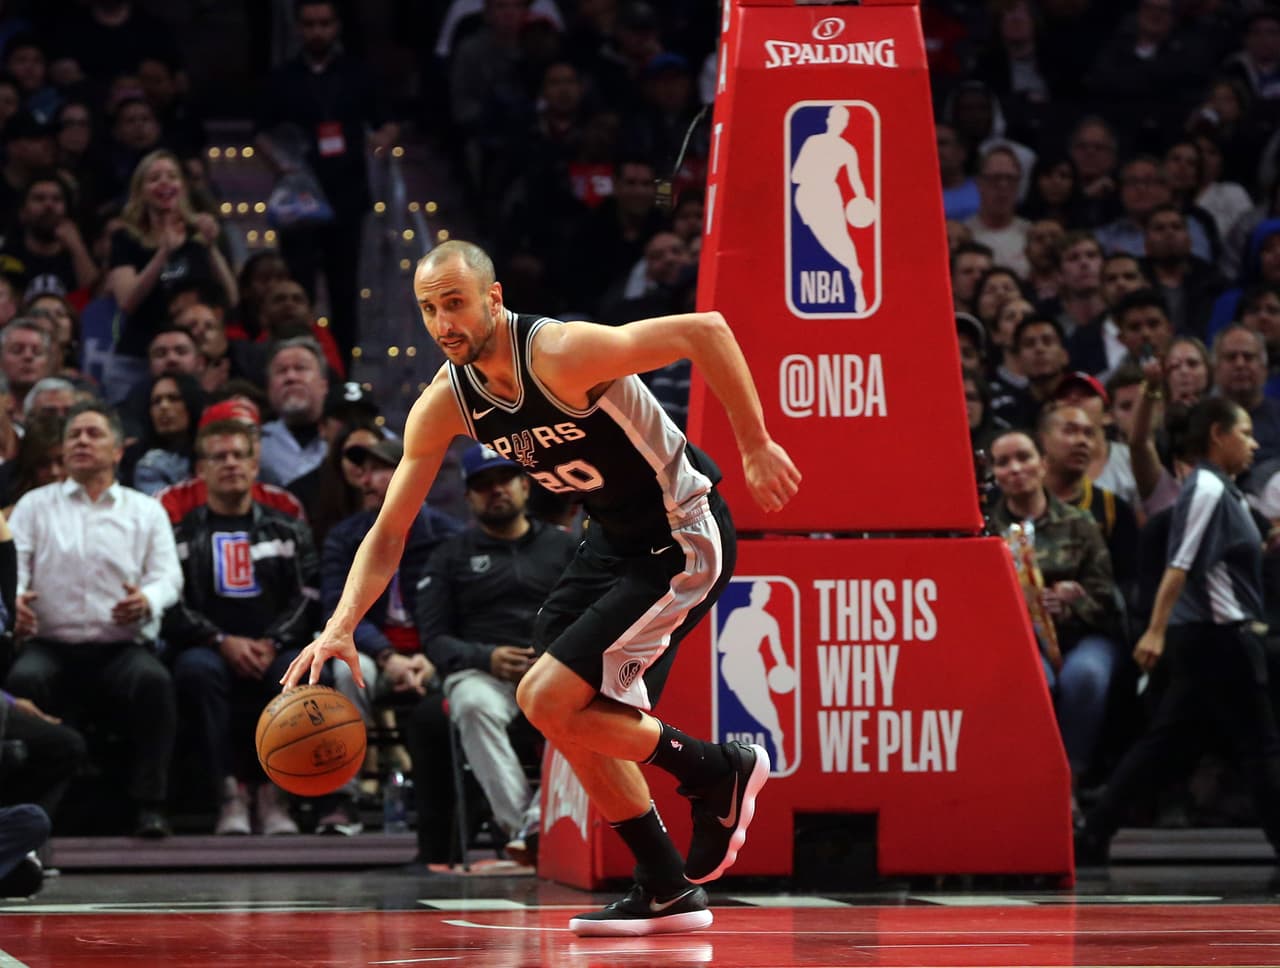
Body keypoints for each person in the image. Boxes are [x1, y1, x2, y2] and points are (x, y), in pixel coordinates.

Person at [283, 239, 800, 937]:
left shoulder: (558, 353)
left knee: (543, 698)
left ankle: (717, 770)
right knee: (565, 716)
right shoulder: (446, 400)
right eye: (430, 310)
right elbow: (388, 531)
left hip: (682, 534)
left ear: (493, 299)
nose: (444, 324)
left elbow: (703, 330)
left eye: (456, 303)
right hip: (609, 543)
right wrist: (340, 625)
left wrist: (756, 442)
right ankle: (665, 887)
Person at [1076, 397, 1280, 864]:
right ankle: (1093, 832)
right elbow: (1180, 563)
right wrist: (1155, 630)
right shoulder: (1206, 489)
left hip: (1213, 641)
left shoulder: (1225, 490)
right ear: (1216, 435)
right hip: (1219, 640)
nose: (1253, 443)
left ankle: (1094, 832)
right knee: (1260, 747)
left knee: (1166, 745)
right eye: (1244, 432)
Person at [3, 401, 182, 838]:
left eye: (92, 434)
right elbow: (16, 567)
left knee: (154, 684)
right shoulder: (33, 505)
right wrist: (18, 604)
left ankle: (150, 807)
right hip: (49, 645)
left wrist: (147, 600)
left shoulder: (145, 510)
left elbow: (169, 576)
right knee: (23, 681)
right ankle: (25, 813)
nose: (81, 441)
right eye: (73, 435)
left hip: (119, 646)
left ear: (119, 450)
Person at [417, 442, 576, 863]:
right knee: (470, 704)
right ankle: (524, 828)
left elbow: (591, 614)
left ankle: (536, 826)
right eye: (483, 485)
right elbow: (433, 638)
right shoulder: (449, 556)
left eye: (505, 479)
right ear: (468, 497)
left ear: (525, 486)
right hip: (483, 674)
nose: (496, 490)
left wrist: (556, 656)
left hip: (554, 669)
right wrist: (486, 657)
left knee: (594, 705)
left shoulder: (564, 548)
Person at [165, 419, 319, 836]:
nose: (230, 464)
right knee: (196, 671)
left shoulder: (287, 527)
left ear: (255, 466)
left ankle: (275, 794)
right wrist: (220, 641)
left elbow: (308, 596)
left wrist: (273, 641)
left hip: (277, 645)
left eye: (239, 455)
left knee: (296, 670)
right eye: (219, 457)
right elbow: (172, 601)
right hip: (209, 647)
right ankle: (228, 794)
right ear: (201, 470)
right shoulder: (181, 533)